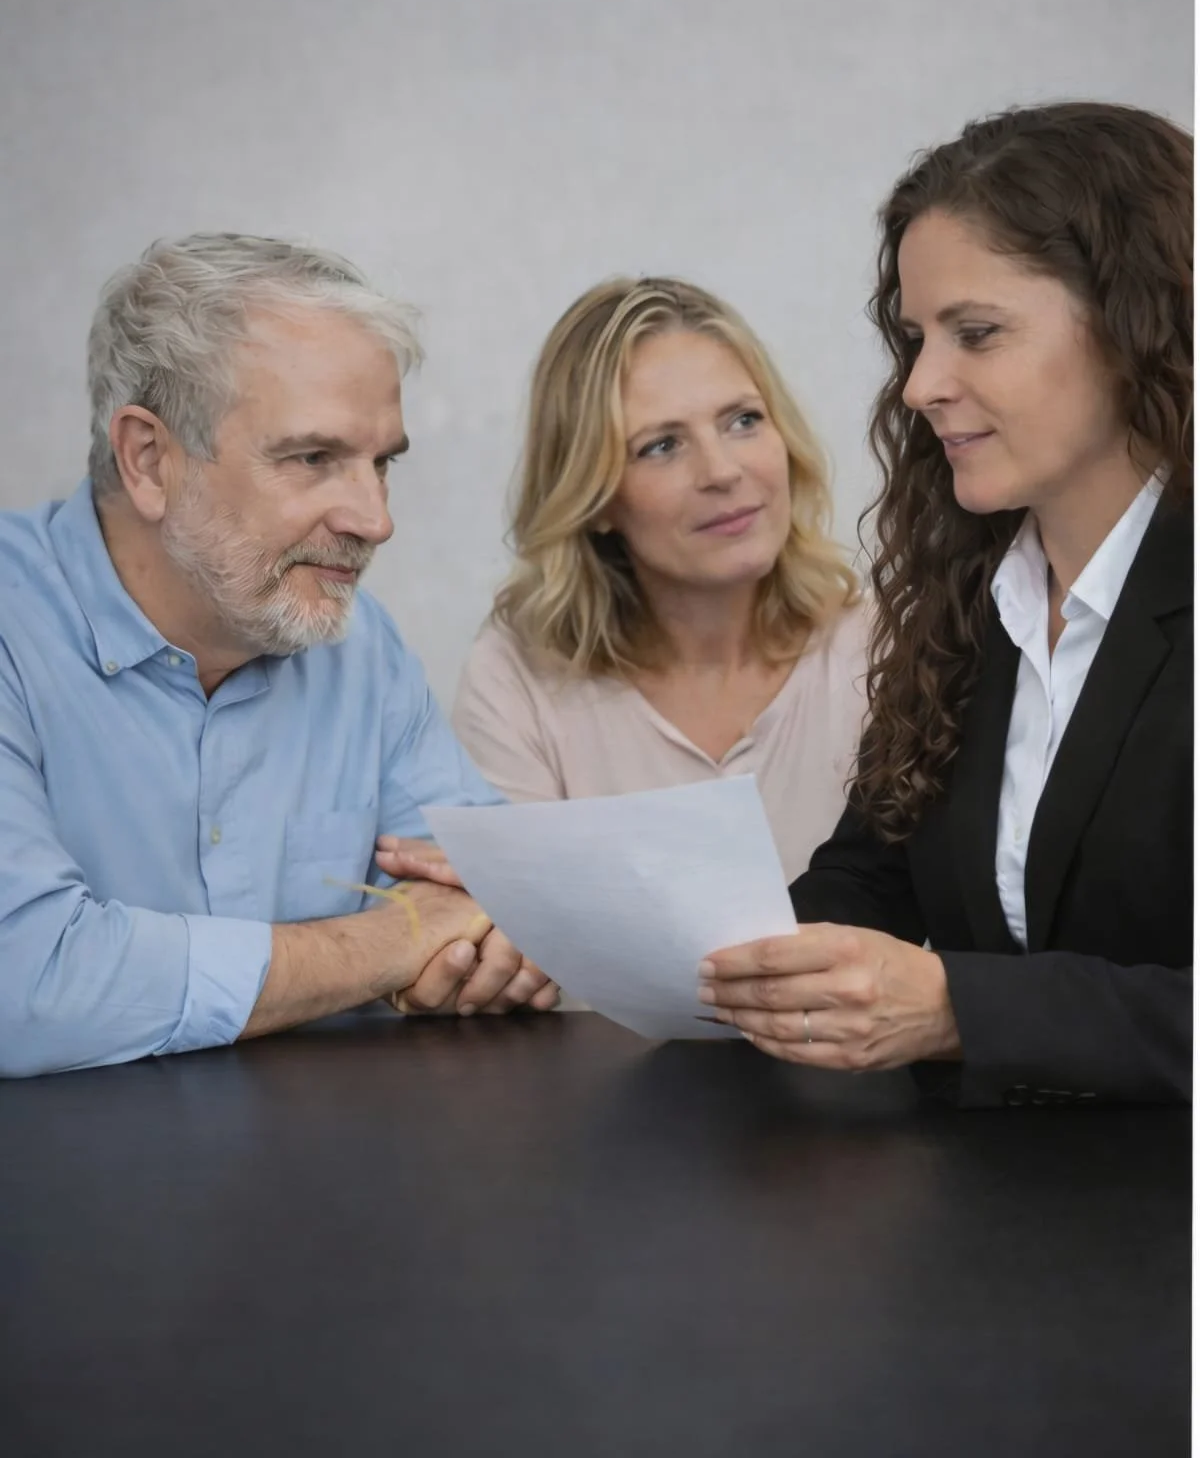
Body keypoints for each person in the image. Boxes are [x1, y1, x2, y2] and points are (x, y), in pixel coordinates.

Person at [698, 101, 1192, 1106]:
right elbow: (869, 880)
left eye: (977, 333)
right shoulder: (973, 596)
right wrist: (671, 939)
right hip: (987, 1225)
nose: (922, 384)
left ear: (1138, 323)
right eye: (917, 337)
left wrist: (962, 1009)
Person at [0, 233, 558, 1079]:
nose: (375, 520)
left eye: (381, 465)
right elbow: (28, 984)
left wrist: (482, 938)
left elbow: (495, 904)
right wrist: (395, 938)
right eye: (313, 458)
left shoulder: (359, 642)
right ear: (149, 459)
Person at [406, 277, 867, 887]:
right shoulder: (520, 672)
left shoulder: (880, 643)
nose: (722, 471)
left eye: (744, 420)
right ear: (593, 498)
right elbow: (513, 929)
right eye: (662, 446)